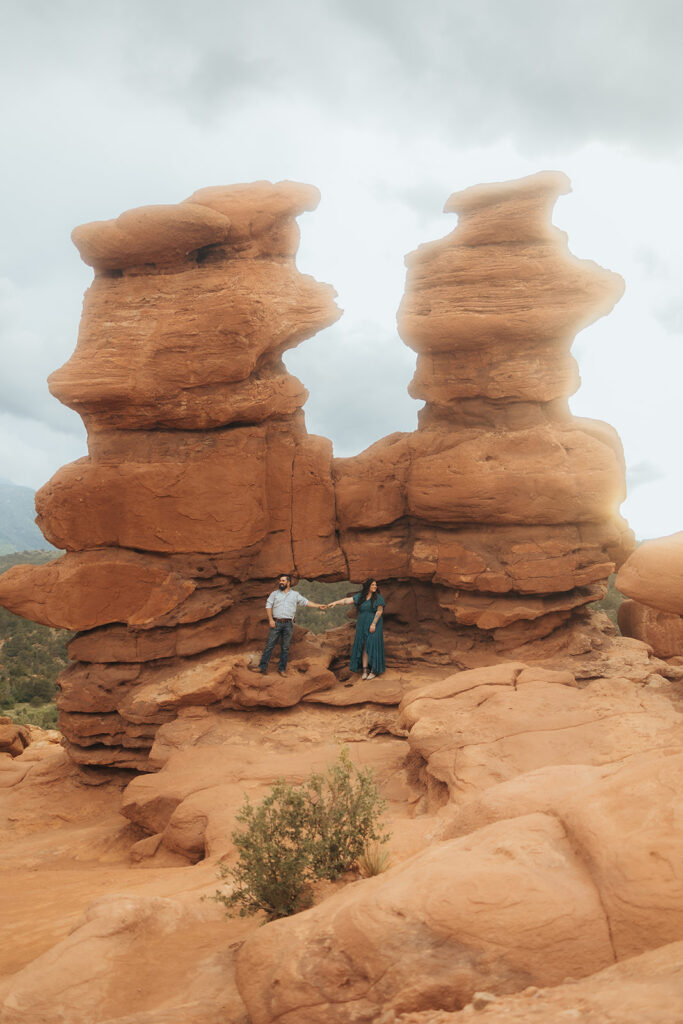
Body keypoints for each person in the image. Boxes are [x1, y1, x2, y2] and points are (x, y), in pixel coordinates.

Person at [250, 574, 327, 677]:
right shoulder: (274, 594)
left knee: (285, 648)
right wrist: (270, 620)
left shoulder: (295, 595)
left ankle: (282, 669)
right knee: (269, 645)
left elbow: (306, 602)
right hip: (276, 622)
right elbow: (268, 605)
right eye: (280, 581)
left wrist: (318, 605)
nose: (280, 582)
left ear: (288, 583)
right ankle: (262, 667)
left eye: (283, 581)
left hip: (288, 624)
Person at [328, 578, 386, 679]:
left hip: (373, 623)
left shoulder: (378, 598)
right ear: (368, 586)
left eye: (375, 585)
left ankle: (374, 670)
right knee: (363, 645)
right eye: (372, 585)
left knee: (372, 645)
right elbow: (347, 601)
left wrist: (373, 624)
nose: (375, 587)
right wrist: (335, 602)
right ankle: (365, 670)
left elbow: (379, 611)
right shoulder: (361, 597)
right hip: (362, 623)